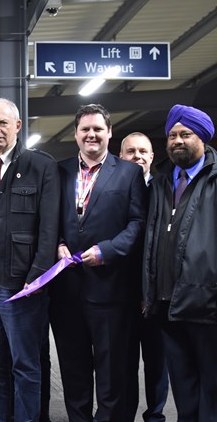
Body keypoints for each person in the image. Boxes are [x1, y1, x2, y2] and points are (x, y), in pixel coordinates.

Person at [51, 103, 147, 422]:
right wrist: (58, 245)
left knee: (112, 375)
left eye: (97, 129)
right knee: (74, 372)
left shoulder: (129, 172)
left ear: (109, 133)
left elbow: (136, 224)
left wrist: (106, 250)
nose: (91, 134)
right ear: (76, 135)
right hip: (66, 292)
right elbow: (48, 220)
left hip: (111, 292)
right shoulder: (59, 171)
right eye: (85, 129)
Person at [0, 98, 60, 422]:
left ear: (17, 127)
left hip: (20, 283)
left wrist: (36, 276)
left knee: (25, 364)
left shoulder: (41, 166)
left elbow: (49, 229)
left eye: (3, 123)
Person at [142, 105, 217, 422]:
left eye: (185, 134)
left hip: (207, 304)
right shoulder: (160, 183)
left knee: (211, 387)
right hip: (166, 302)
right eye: (172, 135)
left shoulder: (214, 179)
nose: (177, 141)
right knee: (183, 386)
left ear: (202, 137)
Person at [119, 132, 169, 422]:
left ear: (152, 156)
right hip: (122, 295)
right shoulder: (112, 190)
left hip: (155, 293)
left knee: (156, 361)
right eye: (130, 151)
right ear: (121, 157)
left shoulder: (164, 189)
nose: (136, 156)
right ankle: (125, 414)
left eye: (142, 151)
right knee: (124, 362)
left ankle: (156, 415)